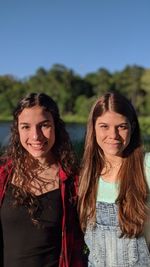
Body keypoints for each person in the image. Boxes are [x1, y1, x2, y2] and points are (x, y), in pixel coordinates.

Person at [0, 92, 86, 267]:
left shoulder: (73, 181)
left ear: (56, 127)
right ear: (17, 129)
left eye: (44, 125)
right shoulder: (3, 175)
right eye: (26, 127)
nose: (36, 136)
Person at [78, 91, 150, 266]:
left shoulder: (146, 165)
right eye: (104, 126)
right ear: (93, 128)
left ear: (132, 127)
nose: (113, 135)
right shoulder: (85, 174)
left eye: (122, 127)